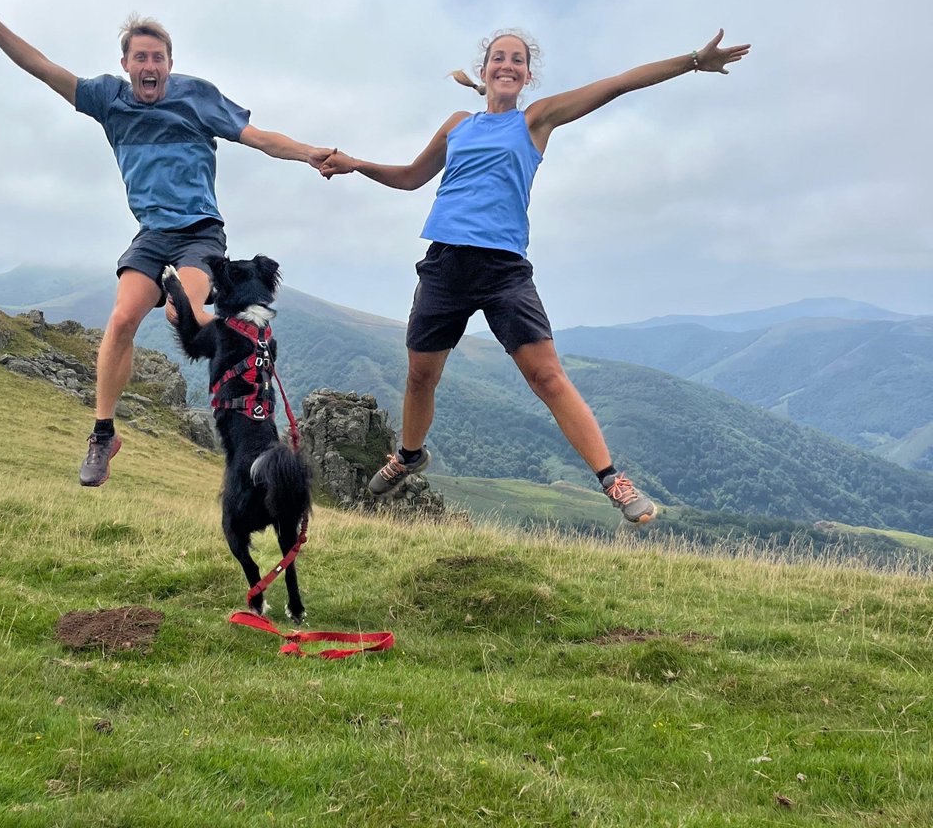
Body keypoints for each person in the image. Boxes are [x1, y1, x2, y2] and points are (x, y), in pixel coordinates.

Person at [319, 28, 751, 523]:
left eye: (517, 60)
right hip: (444, 264)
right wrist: (357, 164)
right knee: (420, 376)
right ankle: (410, 456)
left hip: (503, 269)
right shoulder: (458, 124)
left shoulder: (536, 119)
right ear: (483, 73)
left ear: (527, 74)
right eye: (498, 58)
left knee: (547, 376)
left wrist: (694, 60)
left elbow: (619, 83)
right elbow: (412, 178)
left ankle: (613, 480)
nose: (507, 65)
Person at [0, 0, 332, 487]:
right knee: (123, 318)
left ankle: (248, 370)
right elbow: (39, 65)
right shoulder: (108, 98)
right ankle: (103, 435)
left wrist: (308, 153)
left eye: (159, 58)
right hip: (151, 236)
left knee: (180, 313)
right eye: (140, 58)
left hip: (199, 234)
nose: (150, 67)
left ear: (170, 63)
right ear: (126, 64)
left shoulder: (199, 98)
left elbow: (258, 138)